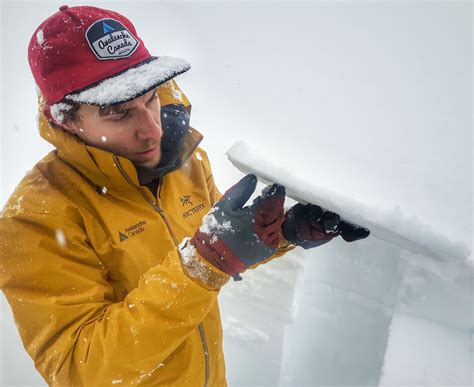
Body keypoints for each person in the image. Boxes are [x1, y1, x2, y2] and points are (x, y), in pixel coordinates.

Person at [0, 5, 369, 386]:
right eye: (120, 114)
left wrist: (284, 231)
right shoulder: (35, 220)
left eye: (150, 100)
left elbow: (216, 249)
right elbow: (81, 368)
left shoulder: (181, 163)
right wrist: (205, 260)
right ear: (66, 118)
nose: (153, 130)